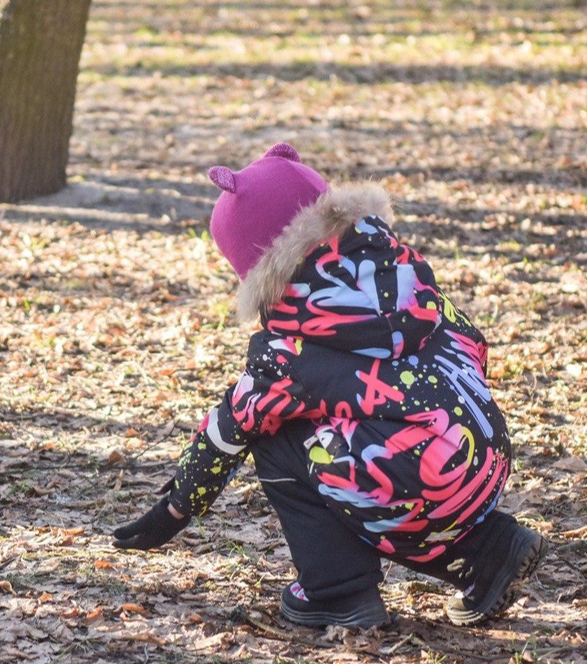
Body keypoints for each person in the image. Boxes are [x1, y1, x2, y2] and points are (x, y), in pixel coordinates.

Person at [112, 143, 546, 628]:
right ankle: (490, 550)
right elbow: (472, 344)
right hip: (486, 454)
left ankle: (336, 591)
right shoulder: (406, 277)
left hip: (418, 478)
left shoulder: (289, 340)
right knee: (373, 446)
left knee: (275, 436)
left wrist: (175, 508)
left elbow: (232, 424)